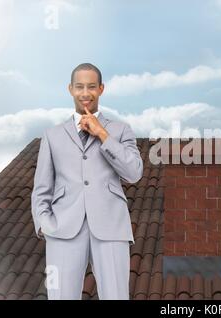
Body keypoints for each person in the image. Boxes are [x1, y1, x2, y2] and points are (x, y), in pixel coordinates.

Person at [31, 63, 143, 299]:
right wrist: (45, 224)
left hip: (111, 227)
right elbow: (42, 189)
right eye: (80, 86)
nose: (85, 93)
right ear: (70, 89)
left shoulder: (120, 131)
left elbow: (134, 173)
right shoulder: (52, 136)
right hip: (62, 228)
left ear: (101, 89)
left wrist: (103, 134)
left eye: (91, 86)